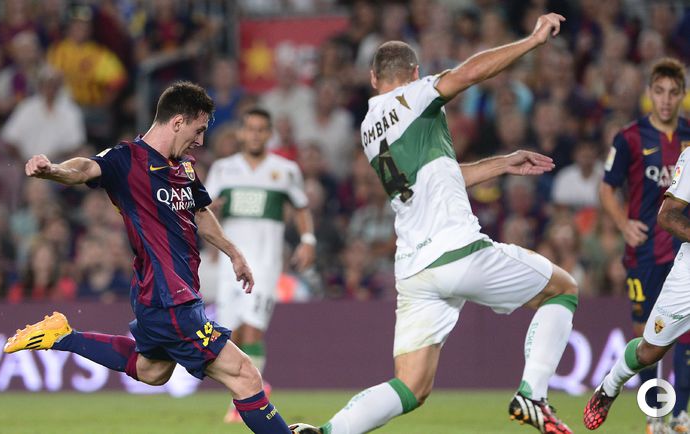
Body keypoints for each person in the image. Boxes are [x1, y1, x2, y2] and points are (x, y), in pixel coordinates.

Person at [290, 13, 579, 434]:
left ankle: (327, 432)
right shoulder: (415, 97)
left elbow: (439, 176)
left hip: (415, 268)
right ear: (415, 74)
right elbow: (469, 73)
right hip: (456, 249)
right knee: (563, 289)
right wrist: (532, 41)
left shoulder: (370, 127)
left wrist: (500, 164)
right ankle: (532, 395)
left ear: (373, 79)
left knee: (411, 386)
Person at [2, 81, 292, 434]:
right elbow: (85, 169)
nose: (201, 141)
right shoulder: (127, 159)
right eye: (199, 130)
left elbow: (201, 212)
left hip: (165, 294)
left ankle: (63, 336)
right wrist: (52, 170)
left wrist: (234, 254)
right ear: (178, 122)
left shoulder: (184, 167)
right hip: (170, 299)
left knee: (152, 371)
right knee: (246, 375)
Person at [585, 59, 690, 432]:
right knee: (650, 344)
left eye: (673, 92)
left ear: (682, 96)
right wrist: (623, 224)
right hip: (649, 251)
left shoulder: (686, 134)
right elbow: (609, 188)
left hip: (675, 249)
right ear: (650, 94)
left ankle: (680, 414)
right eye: (659, 91)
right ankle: (643, 405)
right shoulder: (631, 137)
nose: (666, 100)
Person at [205, 108, 316, 423]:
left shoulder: (285, 171)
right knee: (231, 335)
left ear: (269, 134)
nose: (255, 135)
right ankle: (255, 388)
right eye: (250, 129)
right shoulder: (223, 170)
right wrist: (213, 210)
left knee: (253, 328)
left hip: (265, 265)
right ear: (241, 133)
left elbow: (301, 207)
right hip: (230, 264)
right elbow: (204, 209)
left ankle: (246, 401)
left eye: (261, 129)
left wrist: (308, 240)